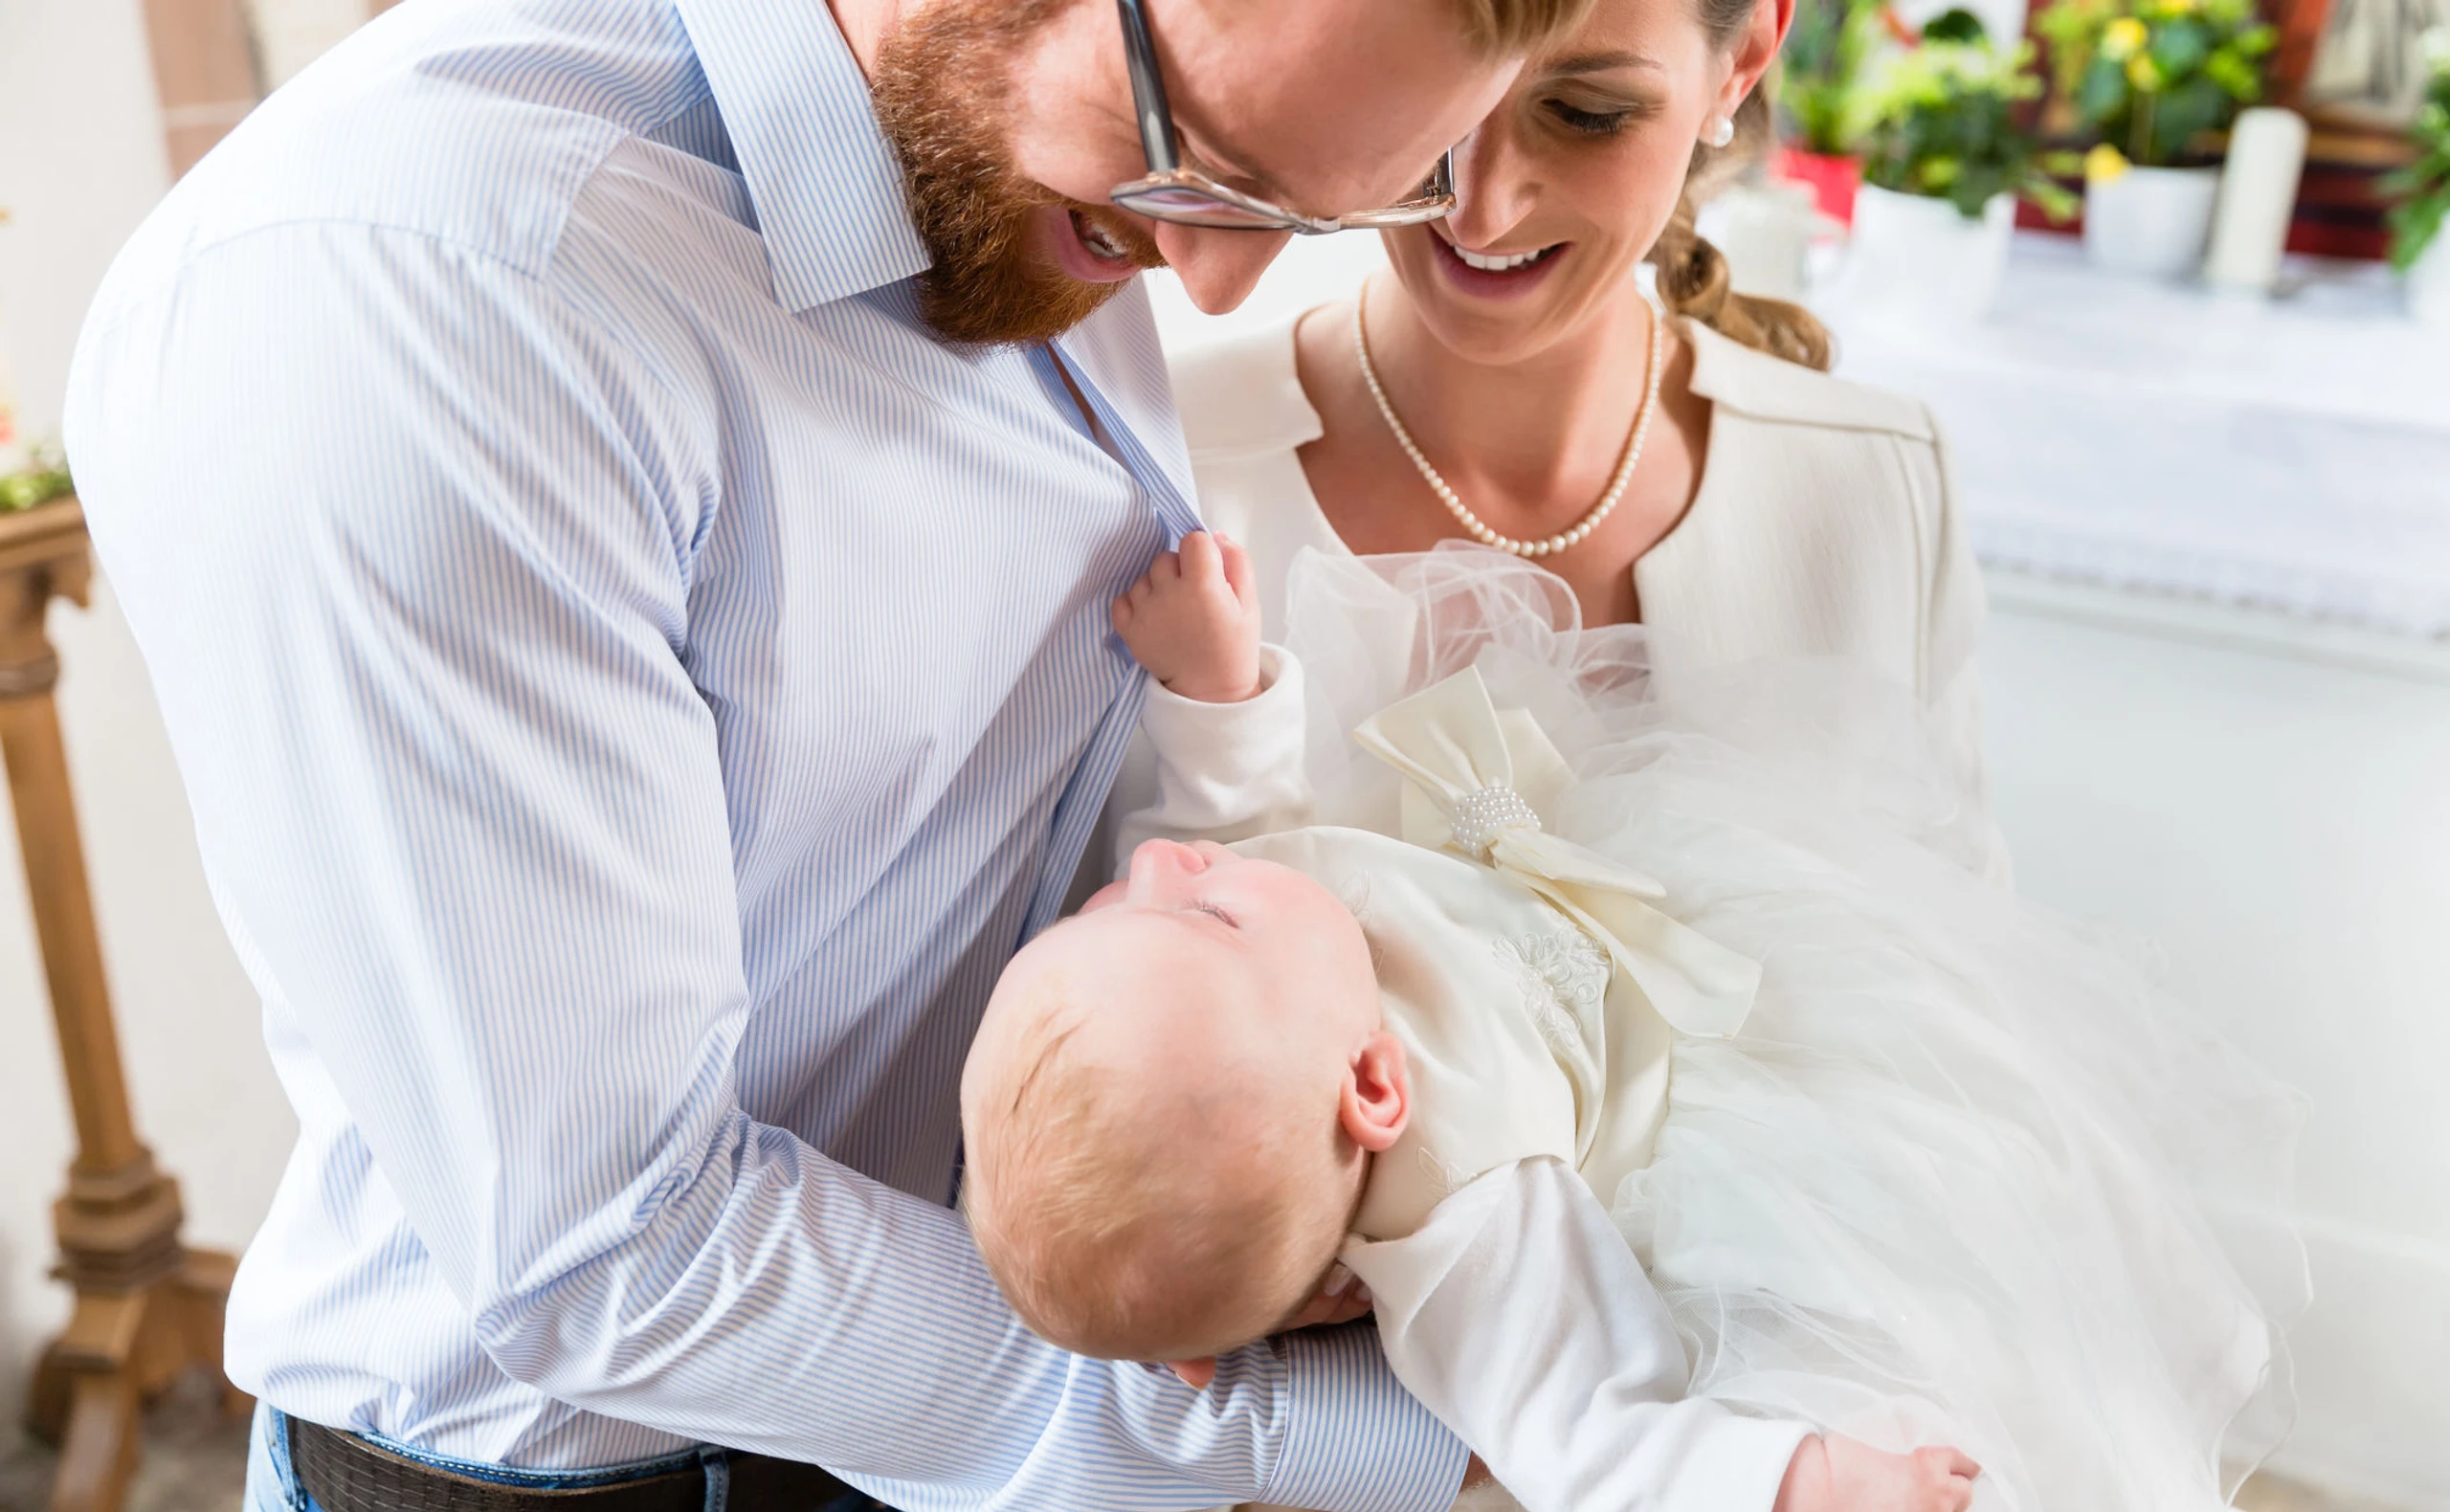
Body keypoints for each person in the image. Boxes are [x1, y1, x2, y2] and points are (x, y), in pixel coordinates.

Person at [61, 0, 1601, 1508]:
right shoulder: (426, 289)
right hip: (596, 1475)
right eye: (1190, 151)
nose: (1206, 280)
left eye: (1310, 208)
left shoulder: (1021, 168)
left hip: (941, 1421)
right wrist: (1426, 1436)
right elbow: (618, 1256)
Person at [977, 531, 2302, 1512]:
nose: (1161, 868)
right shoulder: (1468, 1217)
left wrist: (1216, 692)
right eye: (1196, 914)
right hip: (1723, 1095)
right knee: (1996, 1186)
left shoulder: (1257, 1006)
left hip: (1637, 914)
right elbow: (1583, 1434)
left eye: (1100, 909)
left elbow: (1227, 825)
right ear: (1378, 1087)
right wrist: (1799, 1480)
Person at [1146, 0, 1998, 857]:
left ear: (1739, 63)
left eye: (1586, 115)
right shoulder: (1163, 467)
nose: (1479, 212)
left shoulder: (1881, 488)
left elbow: (1947, 956)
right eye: (1435, 94)